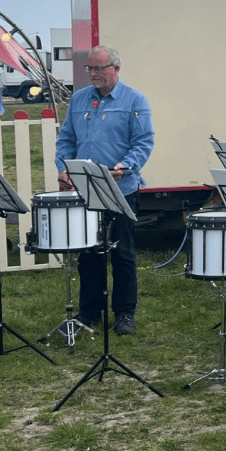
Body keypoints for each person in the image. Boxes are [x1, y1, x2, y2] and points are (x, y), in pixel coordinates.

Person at [55, 46, 154, 336]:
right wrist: (63, 167)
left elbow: (144, 141)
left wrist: (127, 164)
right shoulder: (79, 99)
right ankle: (90, 312)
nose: (94, 74)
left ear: (116, 68)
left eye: (100, 68)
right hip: (86, 190)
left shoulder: (135, 100)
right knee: (88, 252)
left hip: (120, 189)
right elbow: (66, 139)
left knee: (122, 253)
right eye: (90, 69)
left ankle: (124, 313)